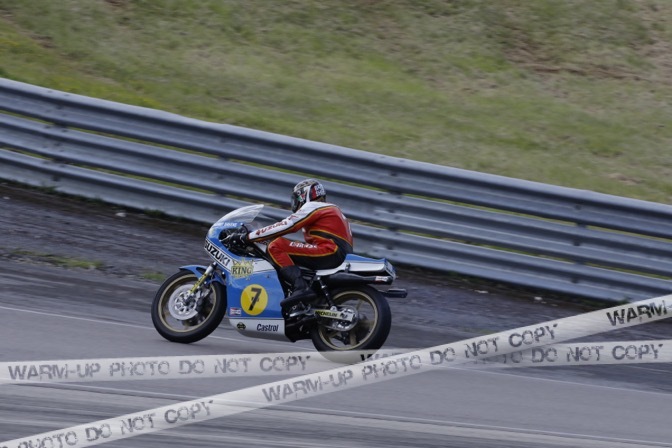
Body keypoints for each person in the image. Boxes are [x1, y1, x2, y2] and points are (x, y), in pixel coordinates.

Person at [233, 179, 353, 310]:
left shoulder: (313, 206)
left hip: (329, 251)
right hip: (336, 253)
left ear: (303, 195)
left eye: (296, 199)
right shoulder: (332, 209)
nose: (295, 203)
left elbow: (287, 225)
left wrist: (249, 237)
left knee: (276, 245)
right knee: (292, 249)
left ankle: (300, 287)